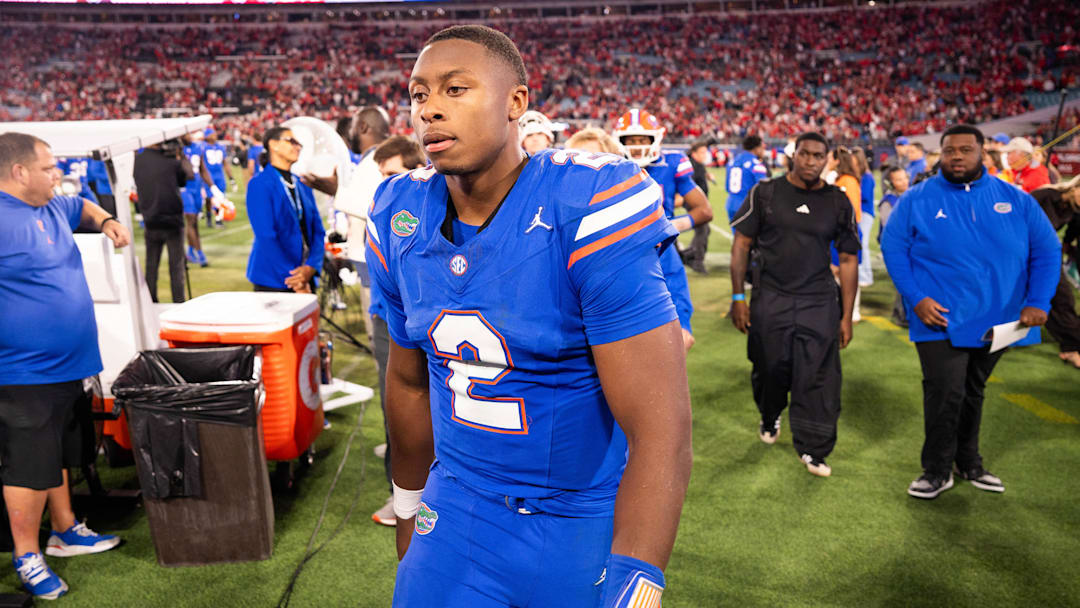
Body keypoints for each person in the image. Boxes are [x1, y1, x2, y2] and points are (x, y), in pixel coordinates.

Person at [367, 25, 691, 607]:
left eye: (455, 89)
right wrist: (408, 504)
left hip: (575, 519)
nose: (430, 109)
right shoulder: (398, 211)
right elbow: (409, 382)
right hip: (456, 505)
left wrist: (638, 574)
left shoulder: (589, 202)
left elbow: (661, 426)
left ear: (516, 102)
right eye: (418, 95)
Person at [881, 124, 1061, 500]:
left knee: (974, 390)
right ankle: (936, 469)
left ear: (983, 154)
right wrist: (916, 298)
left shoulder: (1016, 198)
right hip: (937, 317)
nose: (957, 156)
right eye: (949, 150)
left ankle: (969, 461)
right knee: (945, 391)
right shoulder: (917, 198)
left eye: (965, 150)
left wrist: (1038, 302)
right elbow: (893, 248)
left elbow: (1047, 250)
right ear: (941, 154)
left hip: (1001, 319)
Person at [0, 131, 128, 600]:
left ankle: (65, 529)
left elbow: (85, 207)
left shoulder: (54, 205)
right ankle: (26, 554)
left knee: (57, 453)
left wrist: (108, 219)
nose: (58, 174)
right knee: (28, 466)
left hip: (69, 364)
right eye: (49, 167)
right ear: (19, 172)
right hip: (21, 372)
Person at [729, 132, 859, 478]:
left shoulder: (837, 201)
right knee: (770, 367)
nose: (811, 161)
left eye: (819, 156)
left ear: (827, 159)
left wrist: (847, 315)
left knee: (817, 375)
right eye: (805, 154)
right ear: (793, 155)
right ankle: (770, 413)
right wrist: (738, 296)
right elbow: (741, 244)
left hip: (818, 300)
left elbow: (848, 259)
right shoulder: (766, 193)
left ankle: (813, 447)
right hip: (771, 297)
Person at [364, 135, 428, 528]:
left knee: (406, 408)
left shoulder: (427, 207)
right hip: (385, 315)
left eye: (391, 173)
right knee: (395, 406)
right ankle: (402, 486)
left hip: (409, 323)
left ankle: (403, 494)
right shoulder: (388, 208)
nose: (385, 183)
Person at [614, 108, 714, 352]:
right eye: (631, 140)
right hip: (615, 250)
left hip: (657, 249)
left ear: (654, 139)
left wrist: (668, 226)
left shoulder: (670, 163)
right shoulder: (609, 166)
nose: (637, 146)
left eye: (642, 140)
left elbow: (704, 210)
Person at [245, 126, 325, 294]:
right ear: (273, 144)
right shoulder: (259, 184)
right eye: (292, 141)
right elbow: (266, 236)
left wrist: (311, 267)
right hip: (274, 279)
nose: (298, 146)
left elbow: (318, 231)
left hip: (305, 274)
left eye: (299, 144)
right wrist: (295, 281)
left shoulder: (302, 184)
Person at [133, 140, 193, 303]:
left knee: (151, 266)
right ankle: (178, 304)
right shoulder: (170, 160)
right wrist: (180, 156)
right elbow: (186, 177)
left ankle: (150, 302)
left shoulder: (137, 160)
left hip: (150, 219)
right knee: (176, 268)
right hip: (172, 220)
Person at [1031, 177, 1080, 369]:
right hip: (1020, 256)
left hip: (1046, 259)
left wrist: (1067, 246)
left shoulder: (1075, 211)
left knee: (1063, 299)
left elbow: (1073, 232)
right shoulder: (1045, 196)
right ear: (1075, 187)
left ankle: (1071, 347)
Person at [877, 165, 910, 327]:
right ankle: (901, 313)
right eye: (898, 179)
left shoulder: (912, 196)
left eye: (904, 178)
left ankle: (904, 312)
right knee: (902, 280)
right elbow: (890, 229)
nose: (903, 182)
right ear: (890, 183)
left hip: (910, 245)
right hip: (898, 248)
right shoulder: (888, 202)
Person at [683, 139, 716, 274]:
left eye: (705, 151)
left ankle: (688, 253)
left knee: (705, 230)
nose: (705, 154)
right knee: (702, 230)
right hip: (695, 204)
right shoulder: (692, 166)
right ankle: (697, 261)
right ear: (694, 153)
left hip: (699, 203)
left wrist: (707, 175)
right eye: (702, 152)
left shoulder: (698, 164)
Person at [181, 132, 213, 267]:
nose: (189, 136)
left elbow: (202, 168)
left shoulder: (197, 147)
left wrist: (212, 187)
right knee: (191, 218)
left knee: (194, 224)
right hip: (184, 188)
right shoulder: (177, 149)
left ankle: (190, 251)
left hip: (196, 187)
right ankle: (200, 254)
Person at [725, 135, 768, 224]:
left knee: (737, 236)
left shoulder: (732, 162)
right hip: (747, 206)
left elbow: (727, 186)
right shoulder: (756, 165)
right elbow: (764, 190)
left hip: (731, 203)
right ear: (757, 148)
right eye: (762, 147)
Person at [854, 148, 876, 287]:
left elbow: (866, 196)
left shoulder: (867, 176)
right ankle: (861, 274)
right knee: (859, 245)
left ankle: (866, 277)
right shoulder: (859, 175)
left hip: (865, 213)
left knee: (863, 245)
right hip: (859, 213)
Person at [201, 127, 229, 228]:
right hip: (209, 175)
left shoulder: (220, 147)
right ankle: (209, 217)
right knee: (209, 198)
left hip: (219, 175)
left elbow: (225, 162)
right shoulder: (202, 147)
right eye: (212, 134)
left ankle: (218, 219)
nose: (215, 135)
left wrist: (231, 177)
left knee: (220, 198)